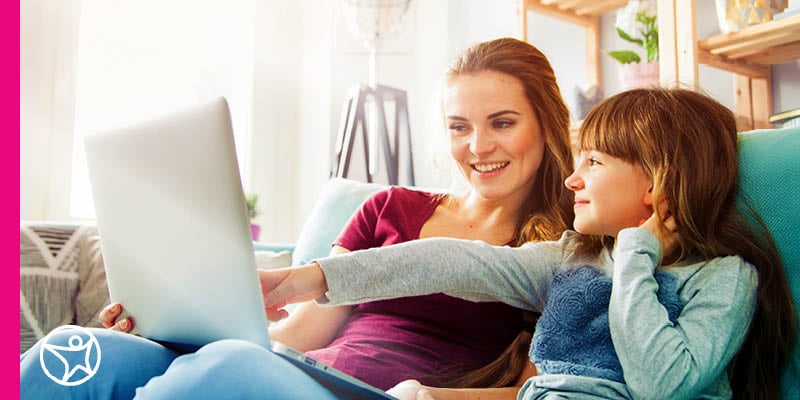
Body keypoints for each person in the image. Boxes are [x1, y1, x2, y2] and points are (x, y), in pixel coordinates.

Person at [20, 37, 576, 399]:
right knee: (76, 351)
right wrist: (167, 323)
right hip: (304, 371)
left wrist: (428, 396)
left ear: (546, 124)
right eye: (459, 127)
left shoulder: (570, 248)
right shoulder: (390, 208)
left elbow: (539, 390)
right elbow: (302, 332)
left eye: (502, 122)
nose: (478, 146)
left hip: (379, 395)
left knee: (220, 372)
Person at [261, 88, 797, 400]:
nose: (572, 179)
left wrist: (637, 255)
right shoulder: (571, 258)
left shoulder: (724, 279)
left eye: (594, 162)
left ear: (659, 180)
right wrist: (309, 277)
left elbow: (662, 384)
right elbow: (452, 262)